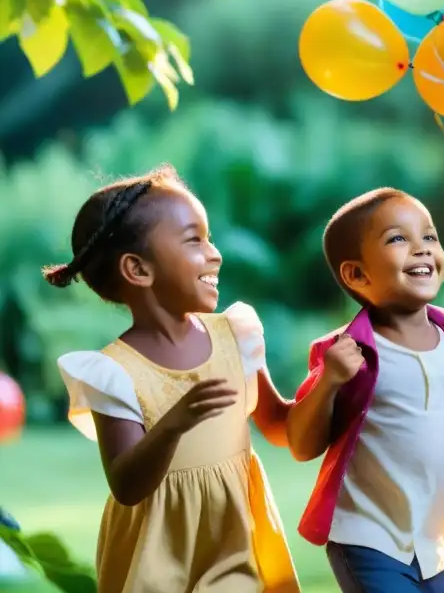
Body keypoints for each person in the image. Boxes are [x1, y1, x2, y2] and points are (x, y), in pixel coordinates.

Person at [45, 165, 300, 593]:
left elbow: (279, 425)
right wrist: (174, 424)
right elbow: (127, 485)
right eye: (194, 240)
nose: (215, 253)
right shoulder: (114, 373)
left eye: (210, 237)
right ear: (138, 270)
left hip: (236, 542)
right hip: (157, 557)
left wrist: (332, 382)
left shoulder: (235, 335)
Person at [287, 188, 444, 593]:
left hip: (436, 544)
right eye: (398, 239)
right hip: (367, 538)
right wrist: (329, 380)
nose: (422, 249)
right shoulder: (344, 351)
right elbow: (301, 444)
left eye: (430, 237)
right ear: (357, 274)